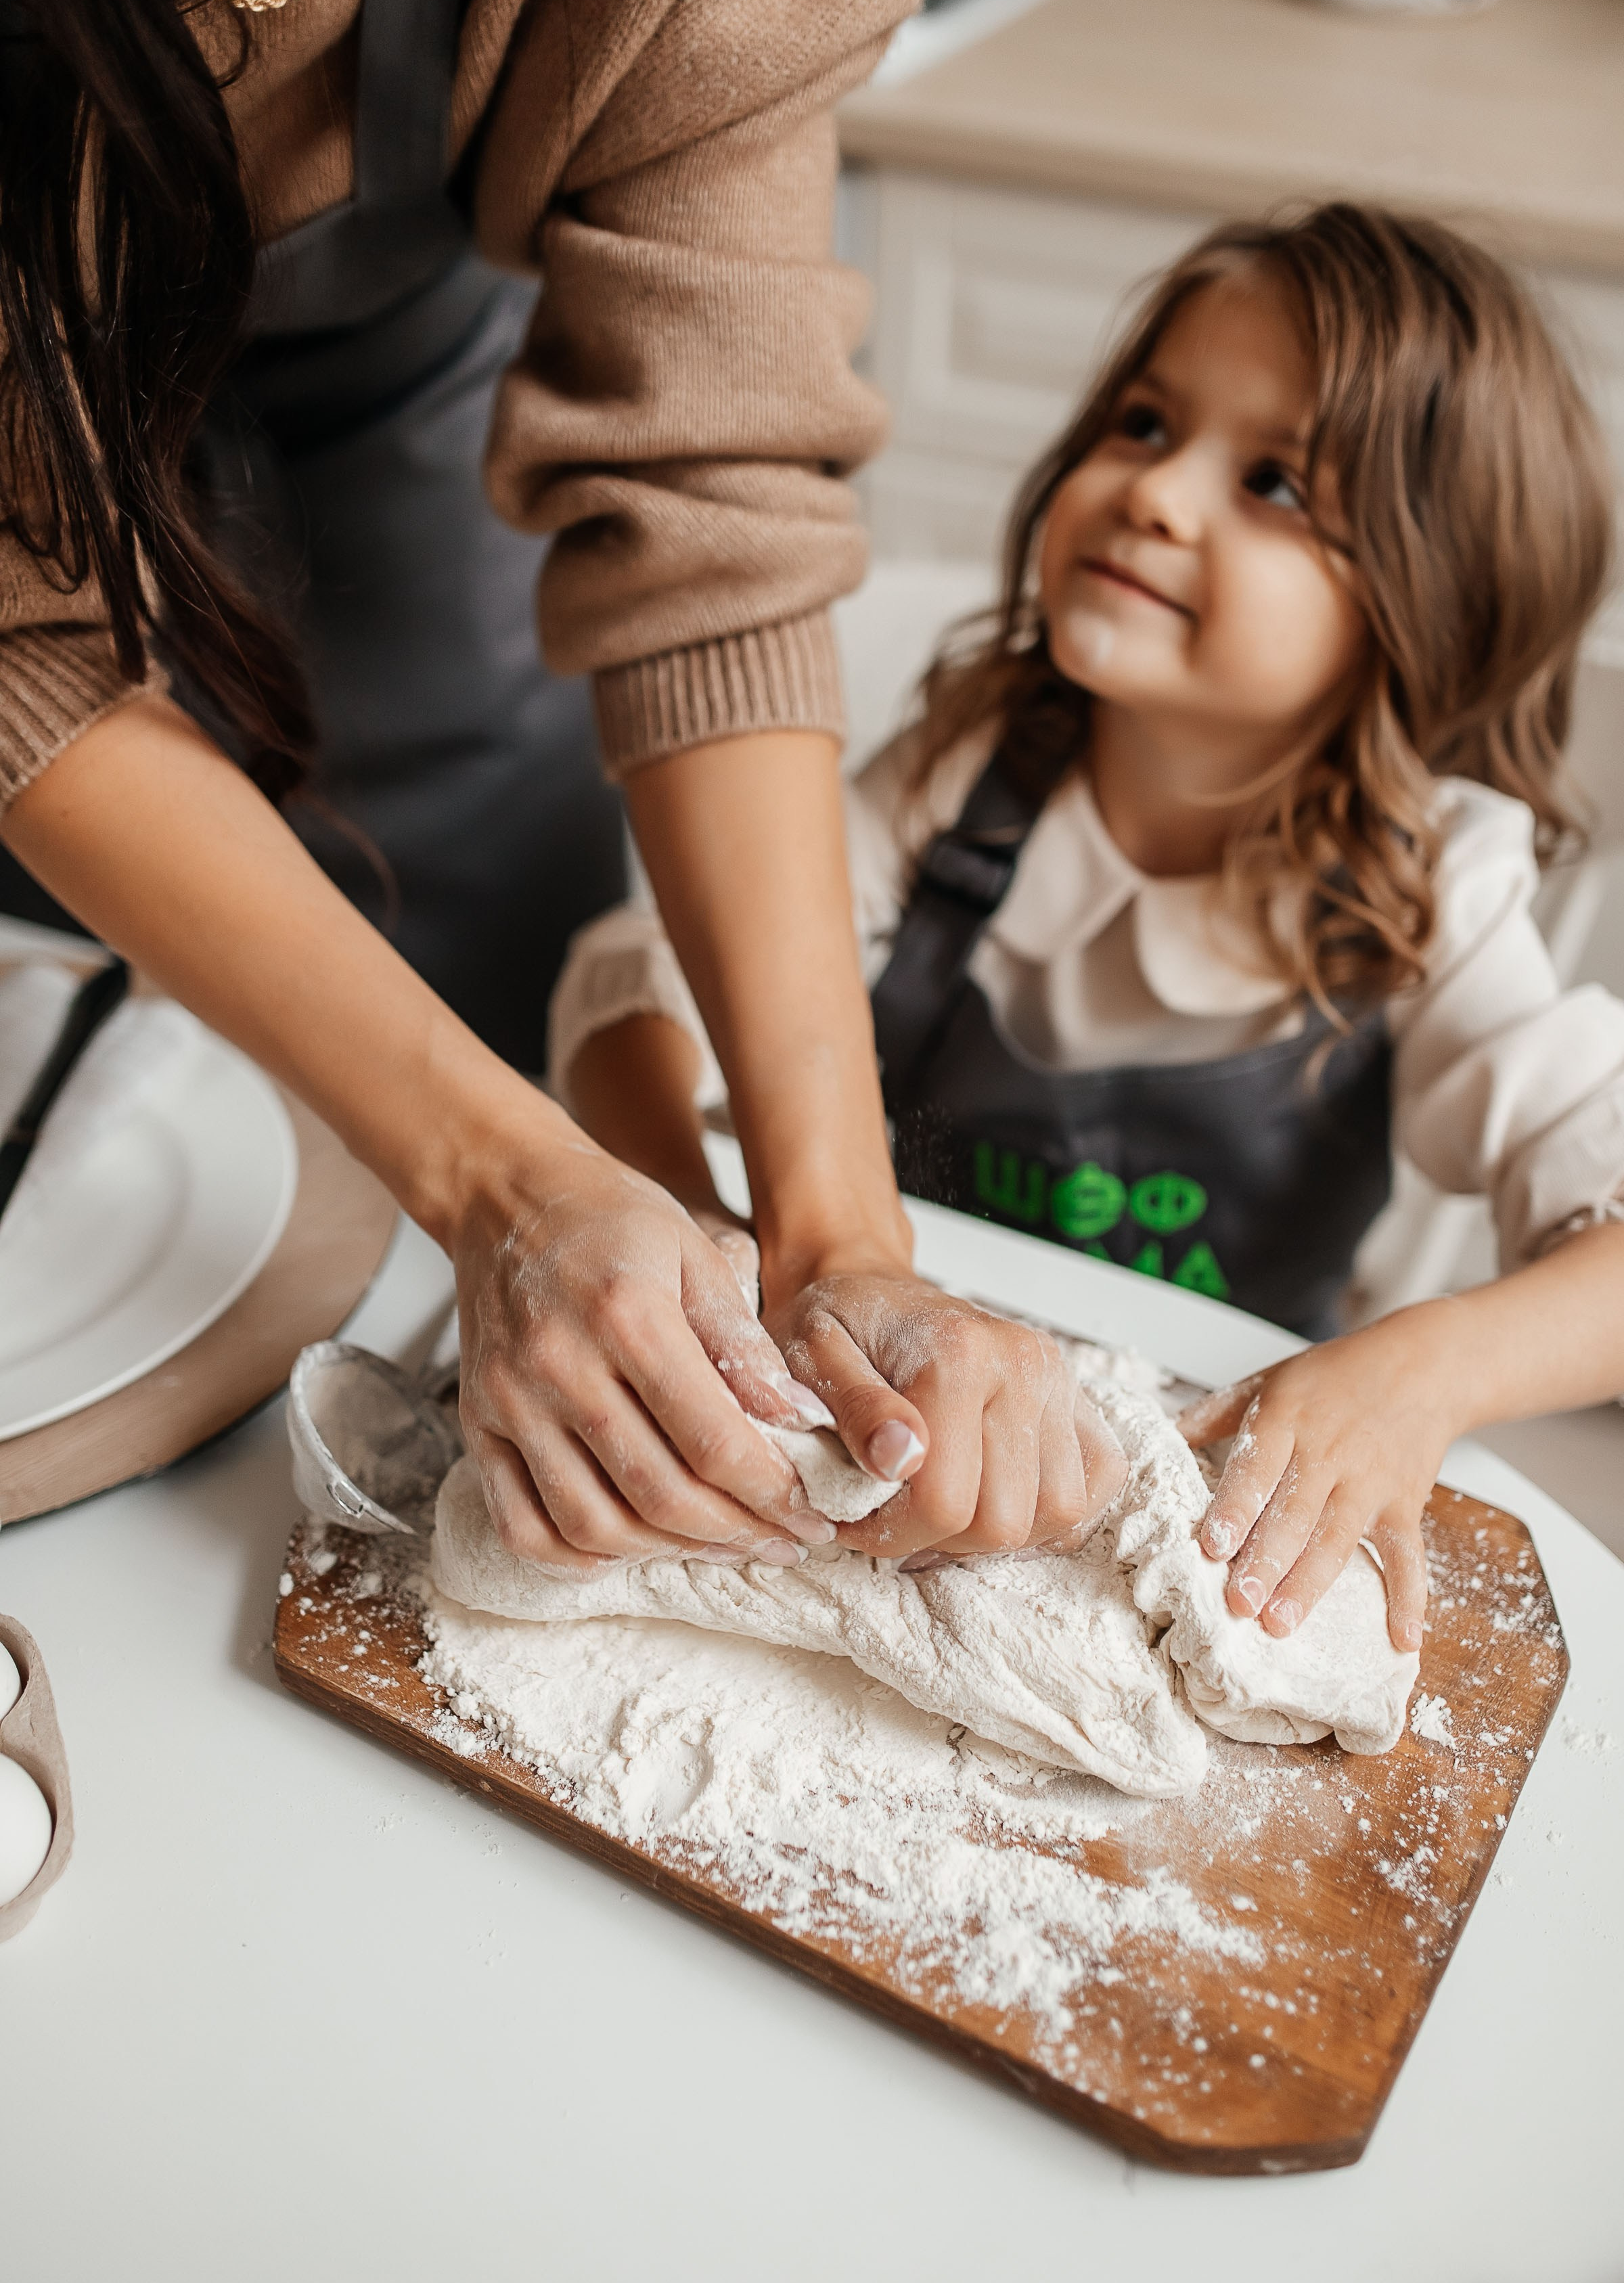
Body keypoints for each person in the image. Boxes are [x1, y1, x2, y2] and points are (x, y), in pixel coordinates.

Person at [0, 0, 1127, 1578]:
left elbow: (709, 503)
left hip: (410, 395)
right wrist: (501, 1185)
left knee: (505, 1113)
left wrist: (837, 1236)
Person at [548, 202, 1624, 1643]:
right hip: (901, 1450)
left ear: (1431, 606)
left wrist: (1413, 1375)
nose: (1158, 495)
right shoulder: (964, 780)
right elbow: (637, 984)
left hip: (1192, 1521)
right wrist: (698, 1231)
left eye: (1276, 485)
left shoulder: (1431, 891)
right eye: (1141, 422)